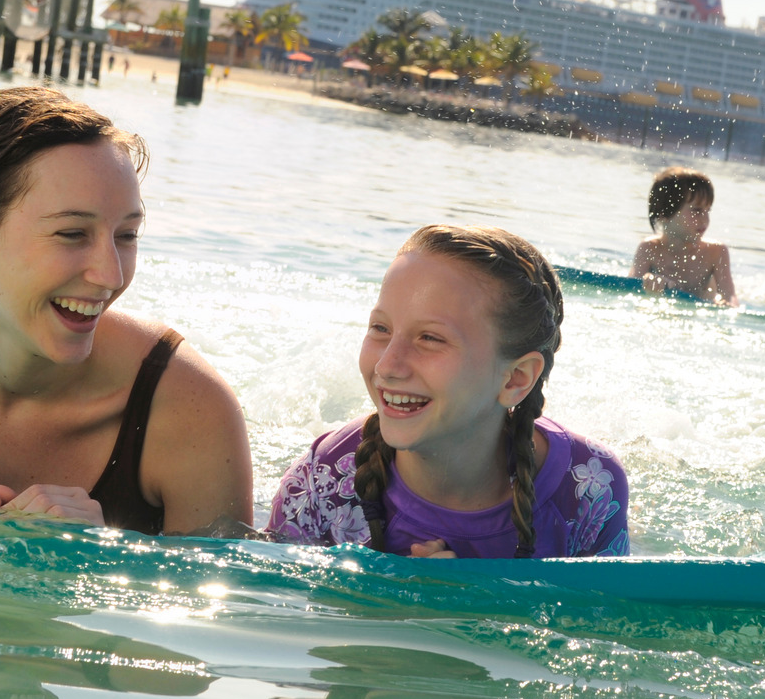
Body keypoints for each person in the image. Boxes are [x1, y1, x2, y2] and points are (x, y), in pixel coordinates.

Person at [0, 86, 252, 535]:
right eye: (72, 234)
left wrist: (101, 559)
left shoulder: (189, 410)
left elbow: (223, 600)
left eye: (127, 235)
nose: (111, 275)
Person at [269, 224, 629, 559]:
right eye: (380, 327)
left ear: (515, 378)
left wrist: (464, 606)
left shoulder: (587, 488)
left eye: (430, 338)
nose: (387, 366)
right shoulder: (325, 478)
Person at [629, 167, 736, 304]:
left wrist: (725, 303)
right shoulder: (649, 249)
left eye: (707, 210)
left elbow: (730, 297)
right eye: (696, 210)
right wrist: (648, 282)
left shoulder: (716, 253)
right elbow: (630, 289)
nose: (705, 219)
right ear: (664, 214)